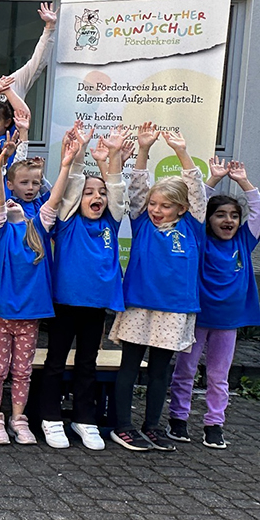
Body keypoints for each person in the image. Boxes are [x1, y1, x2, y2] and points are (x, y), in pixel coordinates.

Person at [108, 124, 206, 453]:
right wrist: (145, 151)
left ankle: (152, 426)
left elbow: (197, 193)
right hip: (139, 304)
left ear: (181, 208)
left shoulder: (193, 227)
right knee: (130, 366)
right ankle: (123, 426)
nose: (156, 210)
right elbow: (137, 190)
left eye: (165, 206)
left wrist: (181, 153)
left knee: (160, 370)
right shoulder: (141, 223)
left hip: (176, 309)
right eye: (154, 204)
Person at [36, 124, 129, 450]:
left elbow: (118, 191)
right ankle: (49, 417)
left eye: (100, 193)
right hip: (65, 303)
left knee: (88, 363)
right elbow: (72, 188)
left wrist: (114, 157)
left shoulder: (111, 222)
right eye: (90, 193)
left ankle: (84, 418)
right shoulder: (68, 220)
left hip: (95, 306)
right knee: (55, 362)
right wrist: (76, 157)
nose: (97, 197)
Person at [167, 159, 258, 450]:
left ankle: (214, 424)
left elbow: (258, 211)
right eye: (219, 215)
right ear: (208, 220)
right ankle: (178, 419)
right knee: (185, 370)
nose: (227, 221)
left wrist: (244, 181)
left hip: (228, 322)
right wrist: (213, 179)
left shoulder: (244, 241)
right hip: (197, 317)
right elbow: (195, 206)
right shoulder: (200, 239)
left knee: (219, 376)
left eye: (233, 215)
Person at [0, 139, 65, 445]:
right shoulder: (0, 230)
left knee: (22, 370)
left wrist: (67, 163)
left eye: (35, 183)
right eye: (23, 183)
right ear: (11, 186)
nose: (30, 188)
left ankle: (19, 418)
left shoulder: (40, 226)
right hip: (1, 311)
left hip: (31, 313)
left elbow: (54, 199)